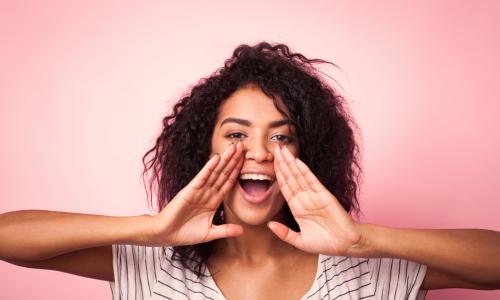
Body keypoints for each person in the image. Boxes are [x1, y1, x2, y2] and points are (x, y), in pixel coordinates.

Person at [0, 42, 499, 300]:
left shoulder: (369, 268)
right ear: (204, 149)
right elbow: (7, 238)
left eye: (281, 136)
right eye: (236, 134)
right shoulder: (153, 263)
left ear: (309, 154)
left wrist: (361, 241)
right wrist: (154, 230)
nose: (259, 152)